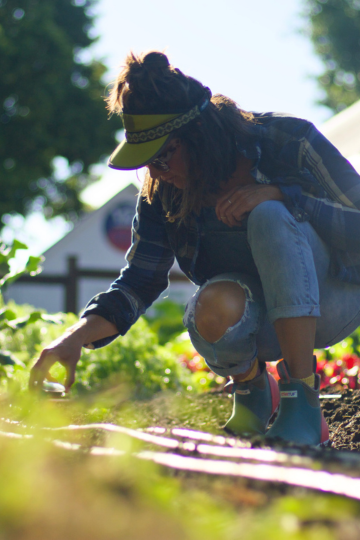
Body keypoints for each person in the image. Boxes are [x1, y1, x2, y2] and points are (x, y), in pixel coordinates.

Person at [30, 50, 360, 446]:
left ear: (200, 134)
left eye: (162, 156)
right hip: (264, 323)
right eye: (146, 162)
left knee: (270, 215)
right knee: (212, 301)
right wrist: (73, 338)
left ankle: (302, 401)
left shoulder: (288, 141)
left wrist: (282, 195)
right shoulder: (162, 193)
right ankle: (253, 390)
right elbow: (138, 281)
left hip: (332, 302)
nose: (154, 172)